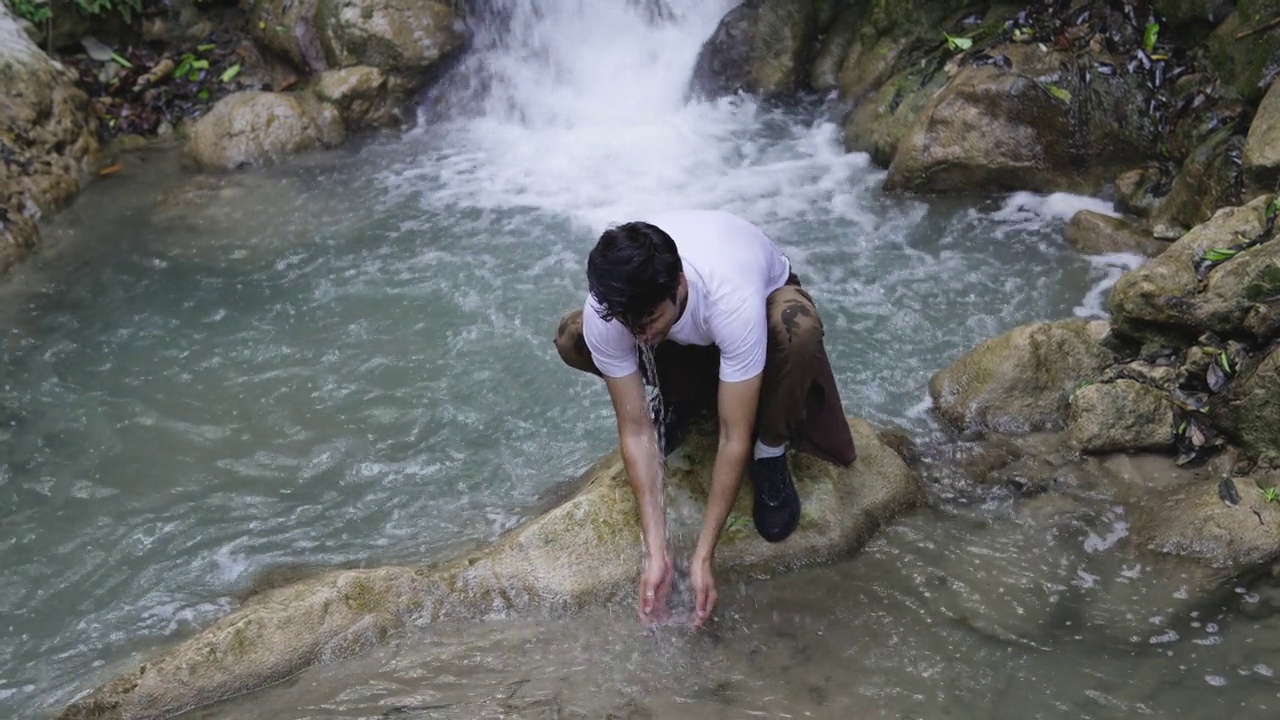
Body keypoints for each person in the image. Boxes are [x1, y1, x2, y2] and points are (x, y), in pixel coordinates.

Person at [553, 209, 856, 627]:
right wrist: (655, 553)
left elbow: (733, 437)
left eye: (648, 320)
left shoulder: (729, 295)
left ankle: (772, 450)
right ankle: (685, 397)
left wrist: (703, 557)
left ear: (679, 286)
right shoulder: (613, 309)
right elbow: (638, 431)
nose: (639, 334)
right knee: (574, 335)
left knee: (796, 327)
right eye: (629, 323)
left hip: (763, 310)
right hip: (691, 335)